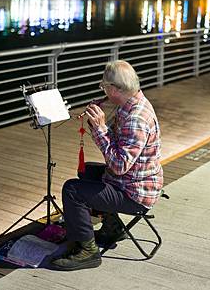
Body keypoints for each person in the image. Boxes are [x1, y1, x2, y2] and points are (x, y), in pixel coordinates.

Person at [51, 60, 163, 271]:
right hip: (135, 180)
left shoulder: (135, 118)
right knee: (87, 171)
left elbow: (119, 165)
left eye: (104, 87)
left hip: (135, 194)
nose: (103, 91)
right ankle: (112, 227)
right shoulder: (130, 104)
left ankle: (87, 251)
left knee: (72, 189)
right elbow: (115, 144)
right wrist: (97, 126)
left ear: (114, 89)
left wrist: (101, 128)